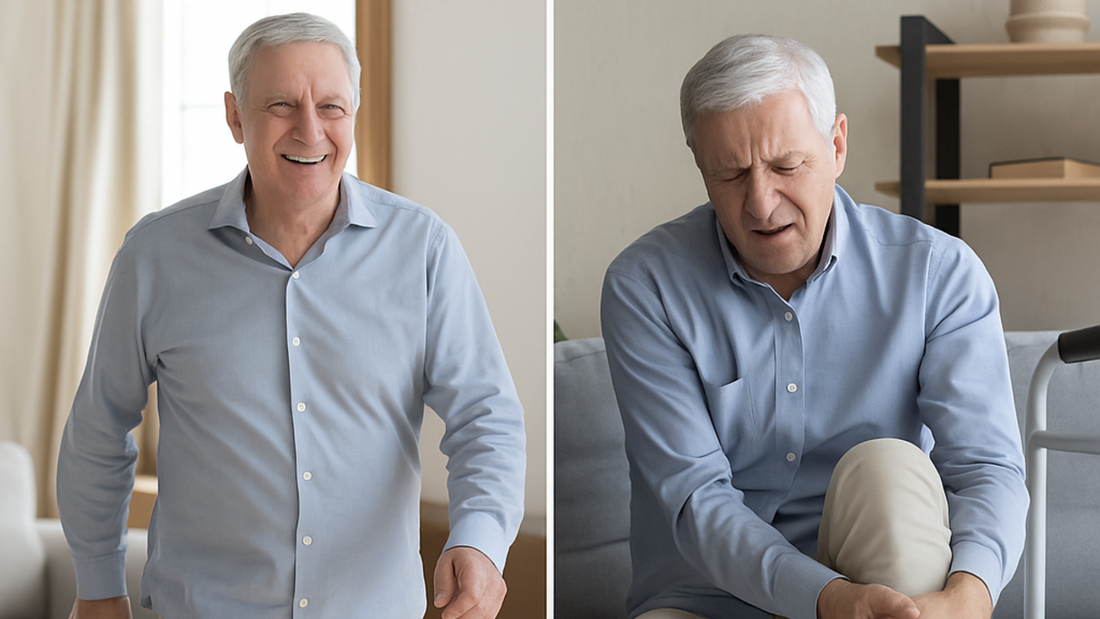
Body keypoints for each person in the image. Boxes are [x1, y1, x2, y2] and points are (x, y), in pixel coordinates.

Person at [56, 13, 524, 619]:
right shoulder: (154, 256)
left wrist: (481, 541)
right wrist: (97, 588)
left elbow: (486, 416)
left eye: (332, 107)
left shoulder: (425, 250)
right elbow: (98, 430)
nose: (311, 131)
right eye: (281, 104)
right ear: (234, 116)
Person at [600, 34, 1028, 619]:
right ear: (700, 168)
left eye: (786, 166)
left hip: (884, 582)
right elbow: (695, 497)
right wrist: (827, 601)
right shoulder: (645, 287)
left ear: (837, 145)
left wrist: (968, 598)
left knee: (890, 468)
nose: (761, 203)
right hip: (704, 598)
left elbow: (986, 468)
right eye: (730, 174)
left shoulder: (939, 273)